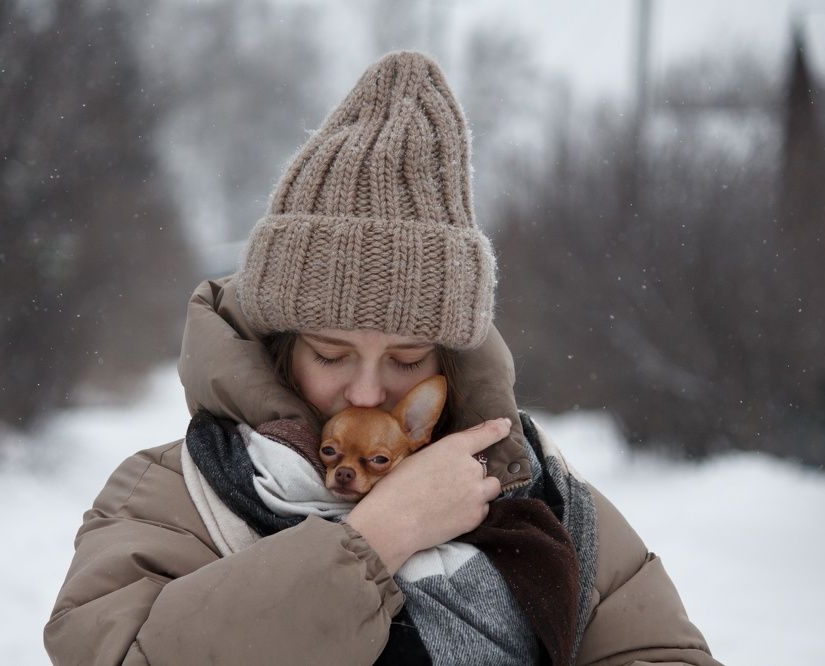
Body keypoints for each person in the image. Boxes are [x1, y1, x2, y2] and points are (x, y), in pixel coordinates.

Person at [45, 51, 721, 665]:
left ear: (450, 359)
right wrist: (371, 545)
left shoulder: (532, 484)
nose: (366, 391)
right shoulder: (175, 495)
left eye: (407, 358)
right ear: (281, 345)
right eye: (332, 353)